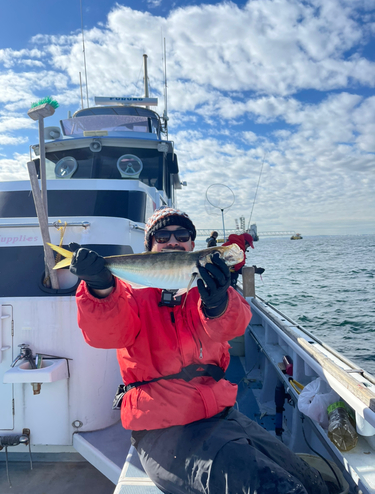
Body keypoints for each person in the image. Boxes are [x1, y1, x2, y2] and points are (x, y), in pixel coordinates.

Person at [69, 207, 328, 494]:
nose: (173, 241)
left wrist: (218, 302)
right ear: (149, 245)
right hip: (163, 430)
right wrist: (101, 289)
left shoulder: (205, 288)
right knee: (277, 489)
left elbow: (234, 327)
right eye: (162, 235)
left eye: (182, 234)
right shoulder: (130, 295)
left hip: (222, 414)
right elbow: (108, 334)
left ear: (192, 244)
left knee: (315, 484)